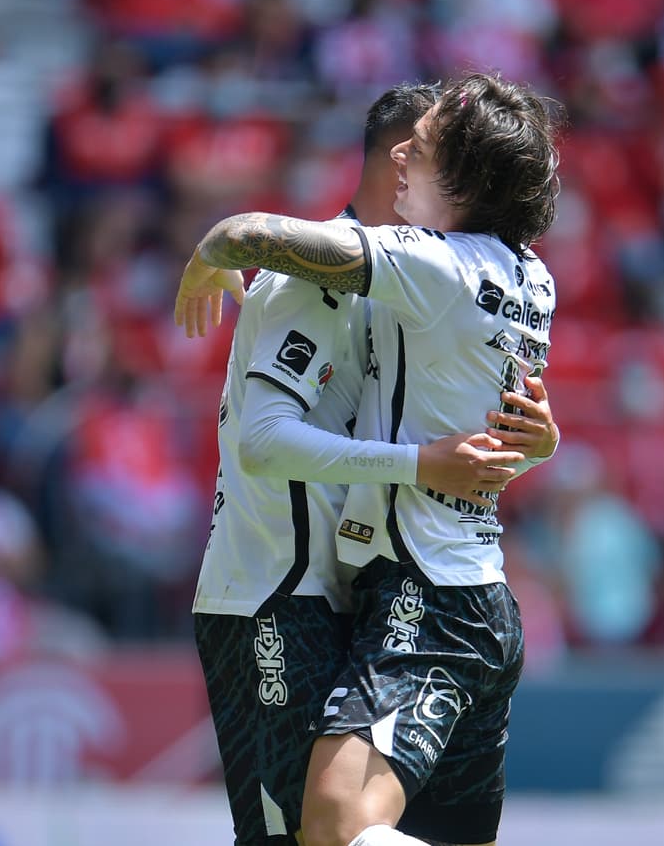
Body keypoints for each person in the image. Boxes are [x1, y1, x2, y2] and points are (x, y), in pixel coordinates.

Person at [175, 72, 561, 846]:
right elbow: (263, 441)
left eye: (426, 146)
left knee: (335, 826)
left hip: (401, 593)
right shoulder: (525, 275)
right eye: (407, 146)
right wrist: (533, 446)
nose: (406, 158)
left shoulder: (430, 269)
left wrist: (212, 248)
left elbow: (248, 236)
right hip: (298, 592)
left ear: (458, 176)